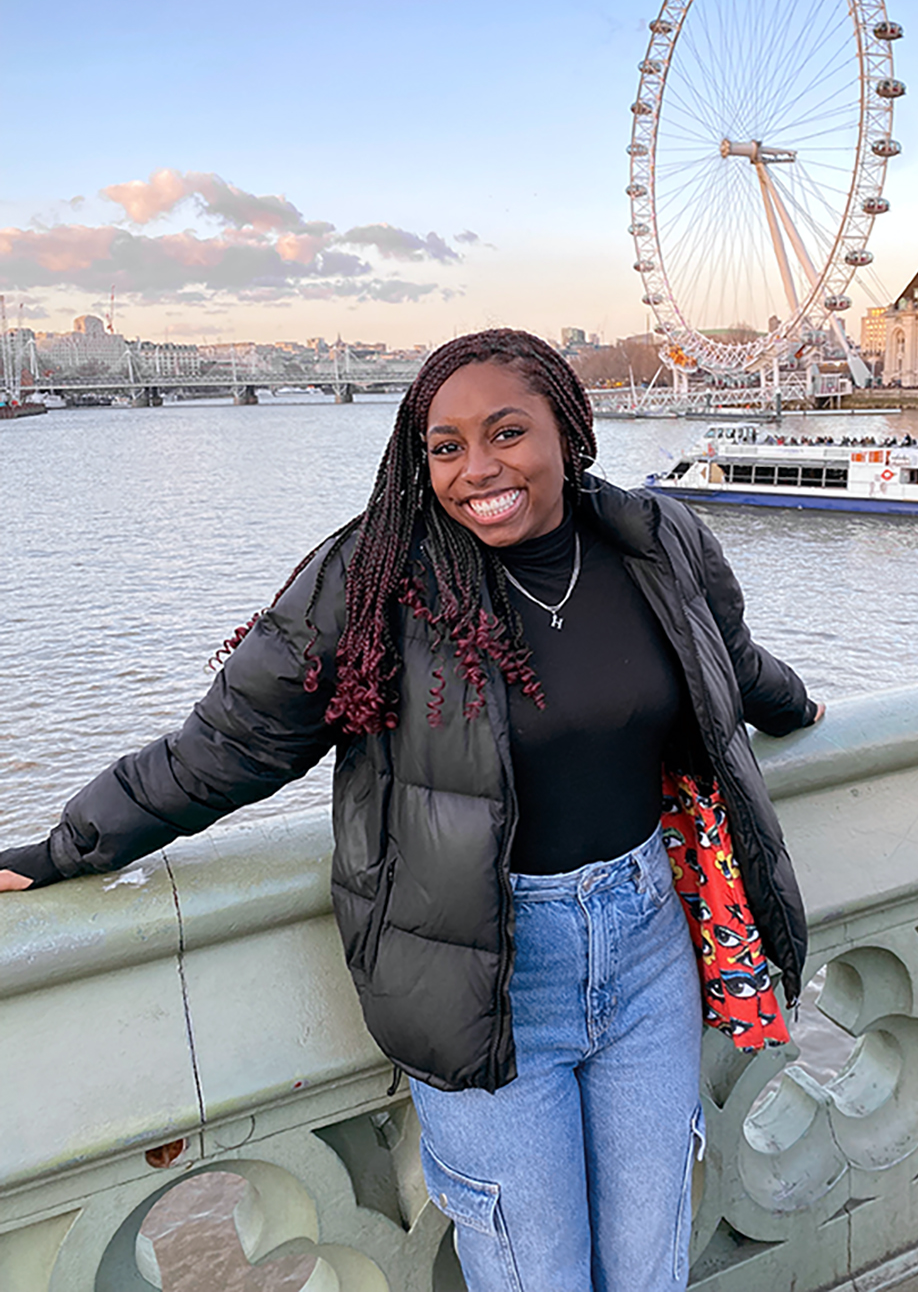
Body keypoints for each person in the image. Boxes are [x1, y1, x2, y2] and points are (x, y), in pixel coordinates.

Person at [0, 329, 822, 1292]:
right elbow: (229, 743)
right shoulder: (376, 582)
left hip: (650, 949)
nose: (479, 469)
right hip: (482, 970)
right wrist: (69, 845)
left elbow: (725, 657)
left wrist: (795, 706)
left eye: (507, 433)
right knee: (534, 1273)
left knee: (649, 1261)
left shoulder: (657, 539)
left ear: (569, 426)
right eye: (446, 447)